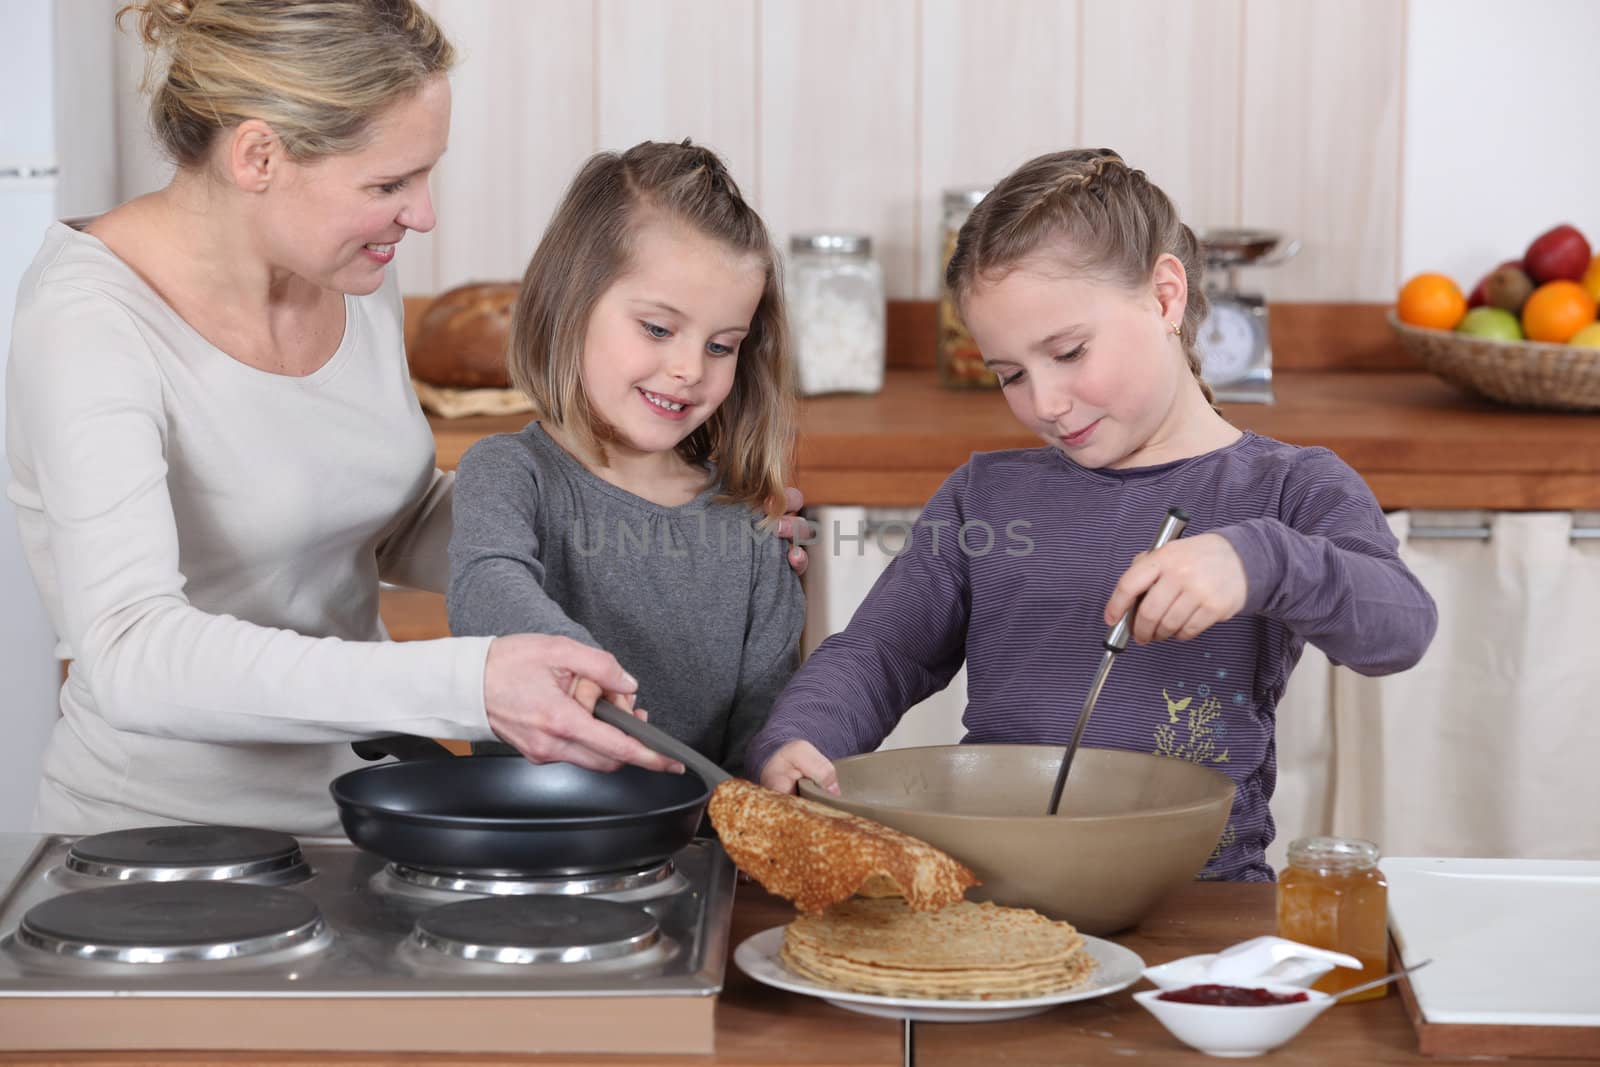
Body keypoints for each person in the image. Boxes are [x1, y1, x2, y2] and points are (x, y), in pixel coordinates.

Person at [3, 0, 806, 836]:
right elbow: (133, 653)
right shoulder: (88, 323)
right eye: (389, 183)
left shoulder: (347, 272)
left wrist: (671, 534)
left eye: (425, 175)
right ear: (258, 156)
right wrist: (471, 682)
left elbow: (389, 516)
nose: (422, 215)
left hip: (367, 806)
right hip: (162, 841)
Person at [747, 148, 1438, 881]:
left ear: (1165, 296)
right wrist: (801, 735)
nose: (1043, 402)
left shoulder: (1287, 490)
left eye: (1069, 351)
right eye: (1010, 374)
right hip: (1000, 891)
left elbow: (1401, 625)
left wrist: (1258, 559)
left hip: (1200, 907)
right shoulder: (985, 497)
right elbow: (881, 653)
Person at [447, 141, 805, 778]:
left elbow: (765, 723)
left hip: (696, 850)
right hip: (535, 852)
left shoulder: (752, 527)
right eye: (659, 329)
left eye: (722, 346)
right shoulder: (508, 472)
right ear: (570, 304)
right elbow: (485, 583)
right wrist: (585, 669)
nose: (689, 369)